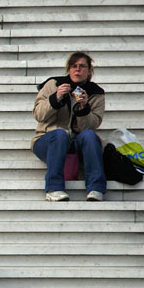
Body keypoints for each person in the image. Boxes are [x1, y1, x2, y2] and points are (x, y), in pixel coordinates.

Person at [32, 52, 106, 201]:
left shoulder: (96, 93)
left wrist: (84, 108)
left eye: (82, 66)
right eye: (74, 66)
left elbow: (92, 125)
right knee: (60, 134)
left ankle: (96, 188)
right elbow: (38, 114)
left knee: (90, 136)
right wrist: (55, 98)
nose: (77, 70)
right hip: (48, 141)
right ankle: (54, 188)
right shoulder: (53, 84)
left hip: (77, 143)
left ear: (89, 71)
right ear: (69, 69)